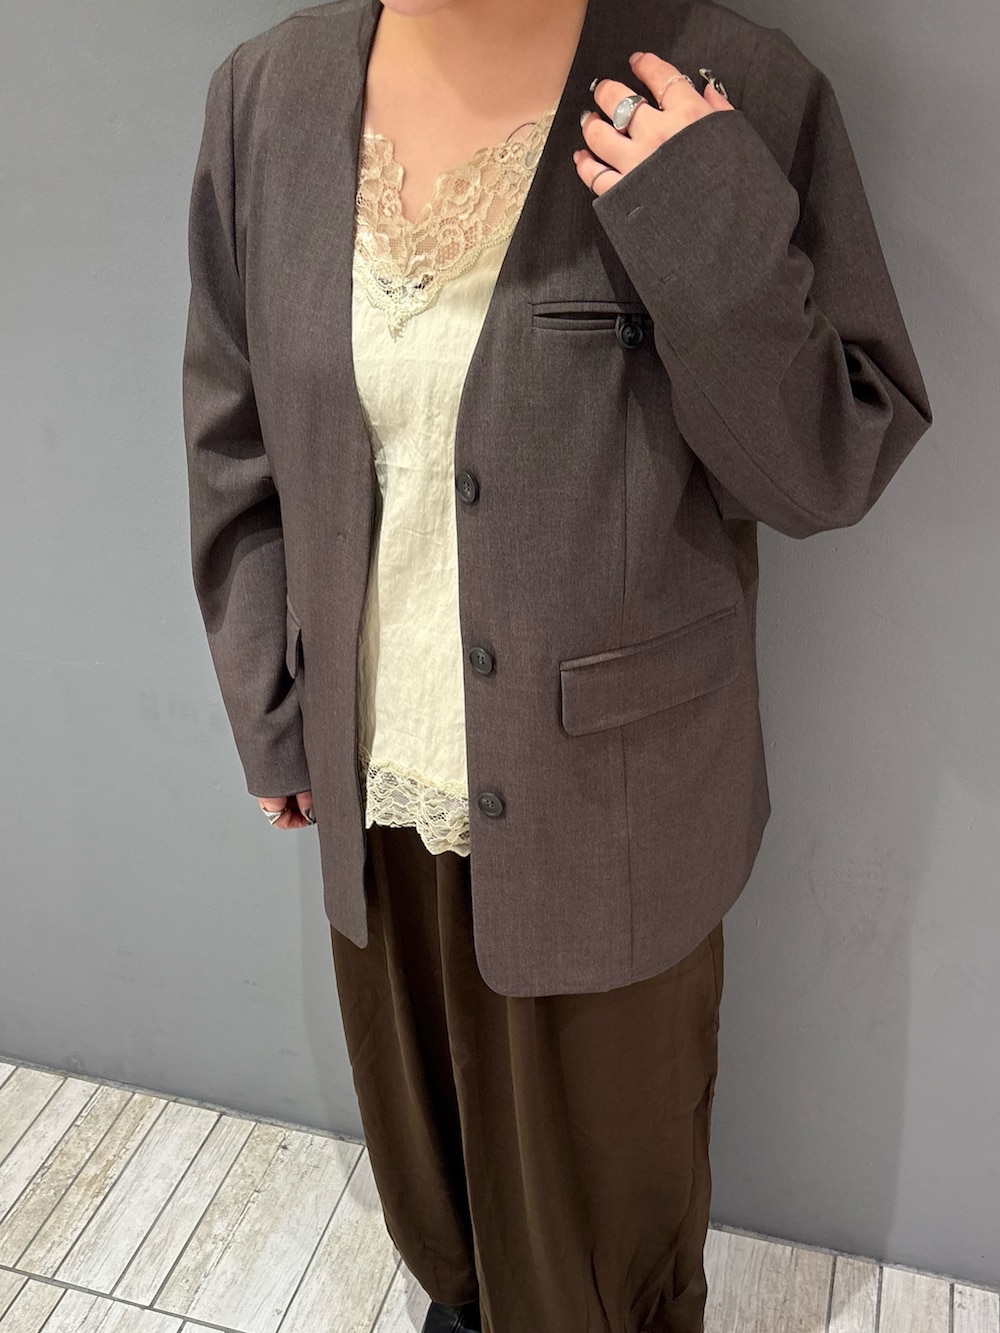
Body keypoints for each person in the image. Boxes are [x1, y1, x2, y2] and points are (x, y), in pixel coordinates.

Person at [181, 0, 932, 1329]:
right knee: (435, 1187)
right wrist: (272, 711)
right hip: (374, 786)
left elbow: (827, 464)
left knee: (602, 1237)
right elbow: (233, 440)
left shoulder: (737, 85)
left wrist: (704, 219)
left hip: (615, 810)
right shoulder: (266, 99)